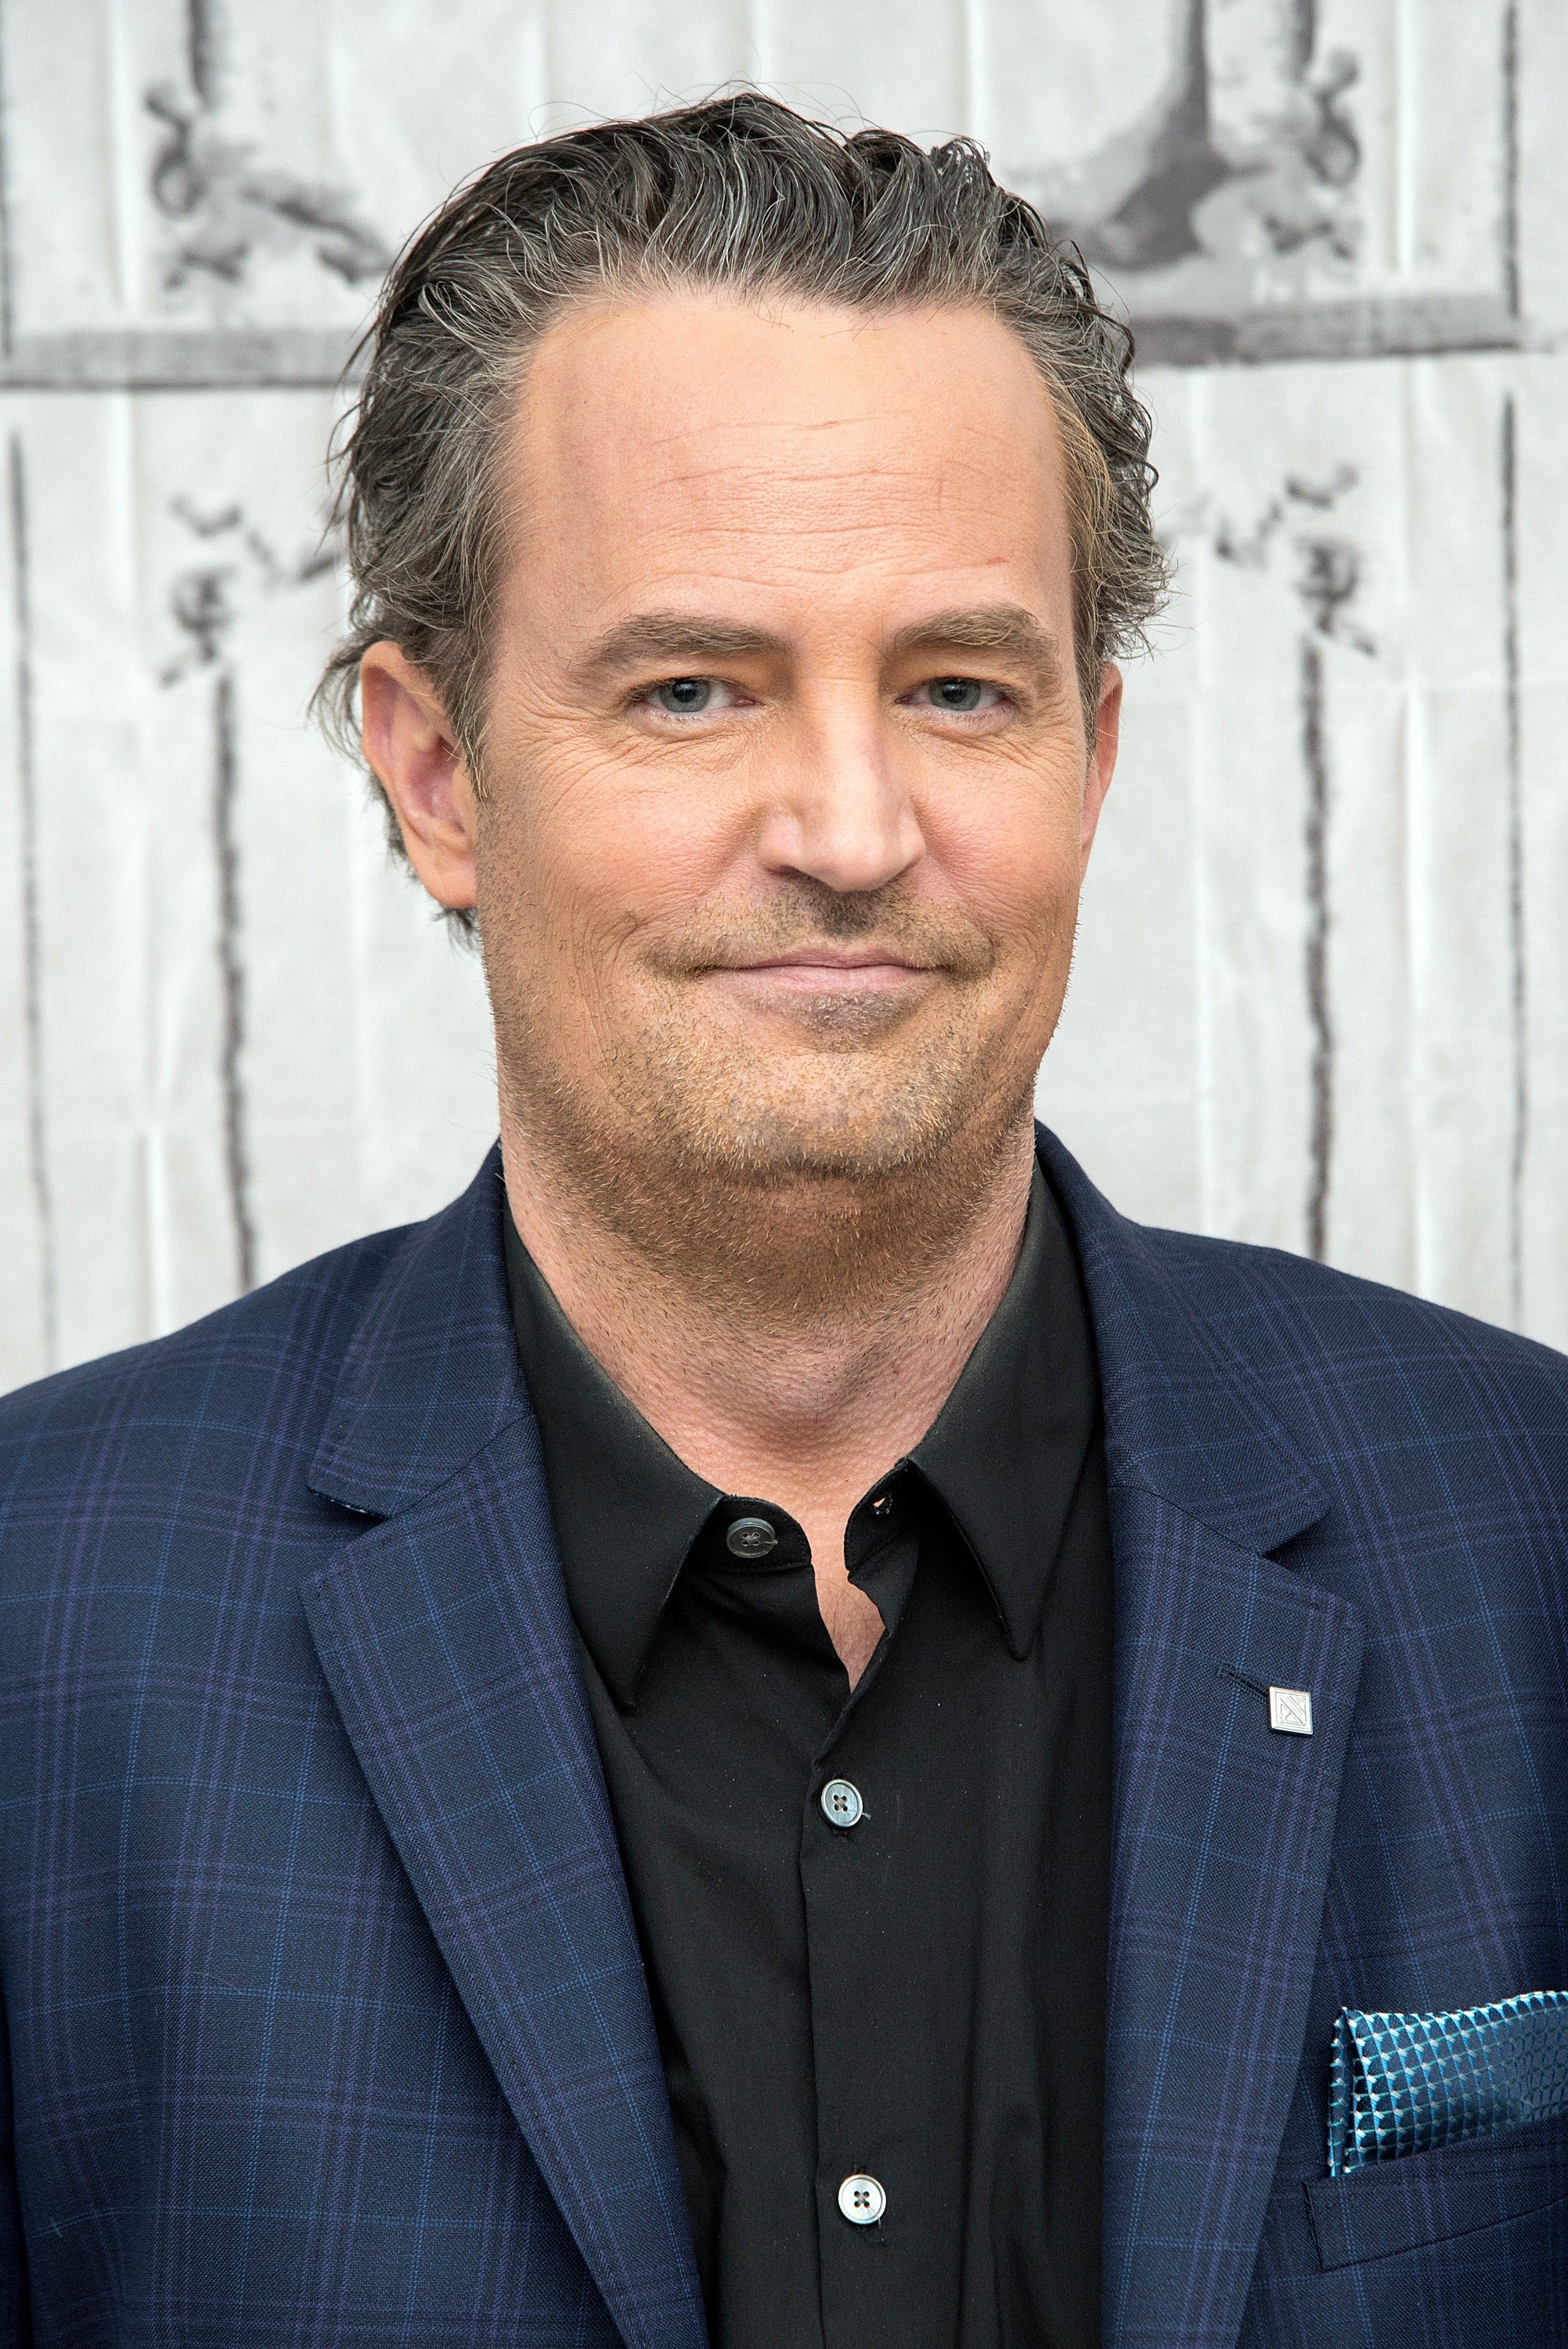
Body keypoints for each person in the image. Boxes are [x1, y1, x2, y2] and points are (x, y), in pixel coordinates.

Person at [2, 94, 1565, 2349]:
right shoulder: (47, 1626)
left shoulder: (1526, 1533)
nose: (848, 827)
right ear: (436, 777)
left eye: (957, 689)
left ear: (1091, 761)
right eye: (691, 691)